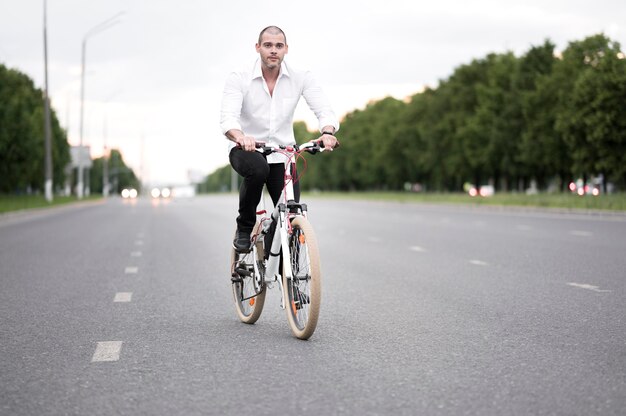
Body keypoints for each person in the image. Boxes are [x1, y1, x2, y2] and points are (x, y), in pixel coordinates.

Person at [220, 25, 340, 252]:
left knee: (291, 215)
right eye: (267, 45)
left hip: (283, 154)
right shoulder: (240, 77)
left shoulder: (301, 77)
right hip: (246, 150)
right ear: (258, 48)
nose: (273, 50)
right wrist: (241, 137)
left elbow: (324, 109)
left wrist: (327, 132)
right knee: (258, 169)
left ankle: (292, 276)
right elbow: (228, 119)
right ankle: (244, 228)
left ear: (286, 49)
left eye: (278, 46)